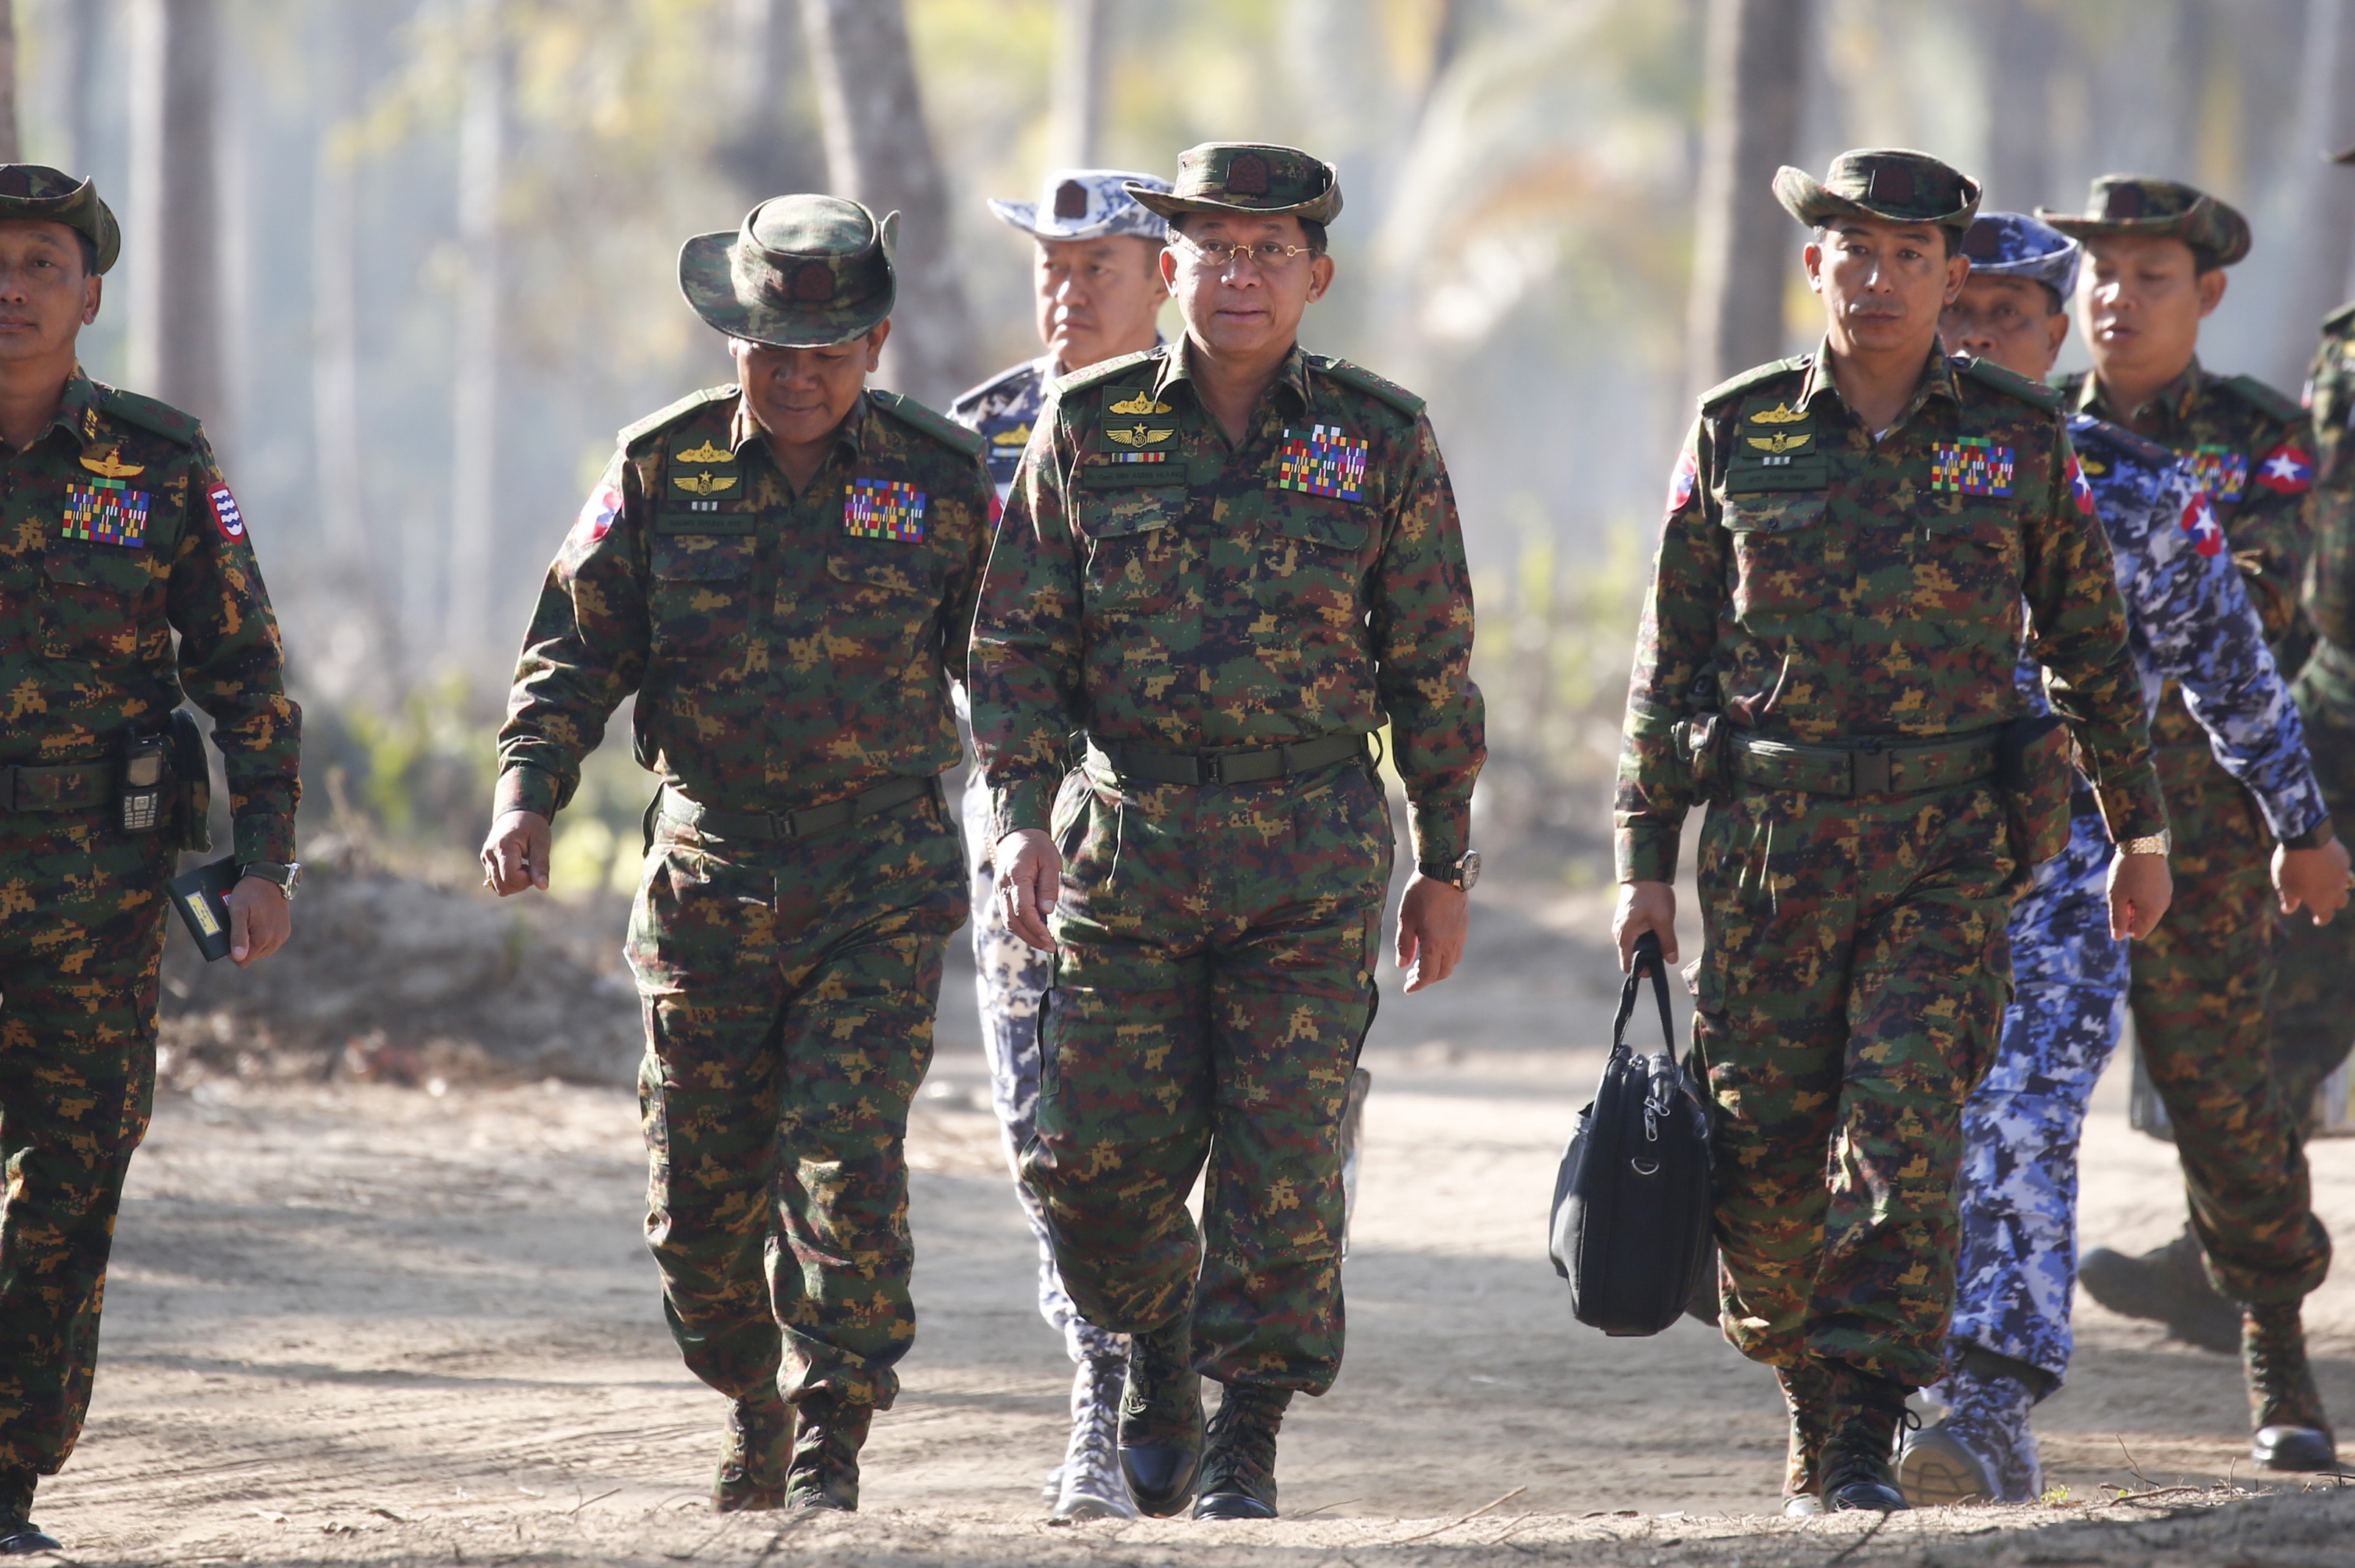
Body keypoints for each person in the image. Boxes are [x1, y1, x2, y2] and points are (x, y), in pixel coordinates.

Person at [1612, 149, 2170, 1516]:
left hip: (1943, 848)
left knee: (1908, 1127)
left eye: (1909, 258)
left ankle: (1866, 1414)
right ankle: (1812, 1393)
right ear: (1816, 267)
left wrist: (2137, 832)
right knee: (1767, 1148)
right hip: (1771, 849)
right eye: (1853, 252)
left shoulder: (2018, 436)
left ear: (1952, 276)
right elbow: (1670, 658)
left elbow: (2094, 651)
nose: (1877, 279)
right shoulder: (1740, 427)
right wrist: (1644, 861)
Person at [972, 142, 1483, 1522]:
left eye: (1270, 251)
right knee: (1082, 1164)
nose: (1241, 275)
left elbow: (1434, 665)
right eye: (1214, 248)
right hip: (1125, 838)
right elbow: (1017, 647)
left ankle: (1245, 1438)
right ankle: (1155, 1333)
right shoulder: (1083, 427)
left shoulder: (1381, 436)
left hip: (1311, 846)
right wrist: (1020, 821)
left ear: (1315, 276)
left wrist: (1448, 861)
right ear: (1172, 266)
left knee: (1284, 1163)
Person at [480, 194, 992, 1514]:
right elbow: (574, 647)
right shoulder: (661, 469)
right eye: (773, 348)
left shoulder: (939, 480)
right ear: (732, 346)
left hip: (875, 874)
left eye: (826, 348)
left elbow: (1015, 663)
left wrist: (1041, 809)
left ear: (875, 346)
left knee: (845, 1158)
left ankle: (833, 1423)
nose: (799, 374)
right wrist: (527, 793)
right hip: (705, 876)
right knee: (696, 1213)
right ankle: (750, 1392)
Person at [1900, 212, 2348, 1505]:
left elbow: (2244, 665)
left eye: (2005, 317)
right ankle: (1868, 1385)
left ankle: (2001, 1401)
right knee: (1884, 1132)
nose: (1979, 337)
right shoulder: (1854, 463)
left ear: (2047, 335)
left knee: (2073, 1117)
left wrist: (2300, 827)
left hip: (2114, 857)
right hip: (1882, 873)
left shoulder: (2142, 482)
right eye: (1962, 311)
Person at [0, 165, 300, 1555]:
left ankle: (7, 1470)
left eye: (42, 264)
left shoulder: (158, 462)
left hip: (92, 886)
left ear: (89, 296)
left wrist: (266, 861)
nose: (12, 286)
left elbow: (245, 668)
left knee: (72, 1168)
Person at [2039, 177, 2343, 1469]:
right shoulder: (2022, 428)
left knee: (2225, 1093)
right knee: (1997, 1088)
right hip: (2052, 827)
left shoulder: (2263, 436)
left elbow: (2272, 610)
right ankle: (1956, 1370)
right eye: (2099, 275)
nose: (2118, 298)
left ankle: (2274, 1349)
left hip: (2206, 823)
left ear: (2206, 294)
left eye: (2149, 276)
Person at [946, 166, 1170, 1522]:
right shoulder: (972, 444)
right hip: (1029, 836)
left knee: (1189, 1128)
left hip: (1196, 833)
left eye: (1097, 268)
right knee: (1048, 1131)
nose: (1065, 290)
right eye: (1050, 264)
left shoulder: (1229, 425)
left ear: (1164, 276)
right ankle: (1097, 1398)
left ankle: (1178, 1386)